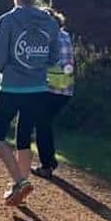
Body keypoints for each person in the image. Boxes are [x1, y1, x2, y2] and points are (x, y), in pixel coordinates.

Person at [0, 0, 59, 206]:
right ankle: (20, 189)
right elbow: (54, 57)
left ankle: (20, 181)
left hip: (11, 87)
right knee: (24, 137)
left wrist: (6, 69)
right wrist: (37, 67)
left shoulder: (7, 20)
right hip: (39, 88)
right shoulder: (50, 22)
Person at [32, 9, 74, 179]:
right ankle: (49, 162)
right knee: (45, 123)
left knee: (41, 125)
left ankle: (47, 166)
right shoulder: (65, 35)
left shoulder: (46, 37)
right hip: (66, 89)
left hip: (50, 88)